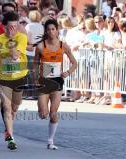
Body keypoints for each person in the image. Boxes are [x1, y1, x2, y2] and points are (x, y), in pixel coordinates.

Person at [33, 19, 77, 150]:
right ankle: (41, 108)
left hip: (57, 82)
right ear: (46, 31)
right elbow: (35, 63)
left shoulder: (64, 46)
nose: (51, 32)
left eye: (53, 29)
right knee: (43, 114)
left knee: (53, 112)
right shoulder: (41, 46)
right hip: (44, 82)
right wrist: (35, 78)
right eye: (49, 29)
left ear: (57, 30)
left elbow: (74, 63)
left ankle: (50, 141)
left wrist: (68, 72)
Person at [0, 11, 28, 150]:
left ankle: (8, 126)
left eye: (15, 26)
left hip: (19, 75)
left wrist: (11, 42)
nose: (13, 29)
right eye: (10, 27)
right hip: (3, 77)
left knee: (15, 106)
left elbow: (16, 55)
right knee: (7, 106)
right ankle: (10, 136)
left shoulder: (22, 38)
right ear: (4, 26)